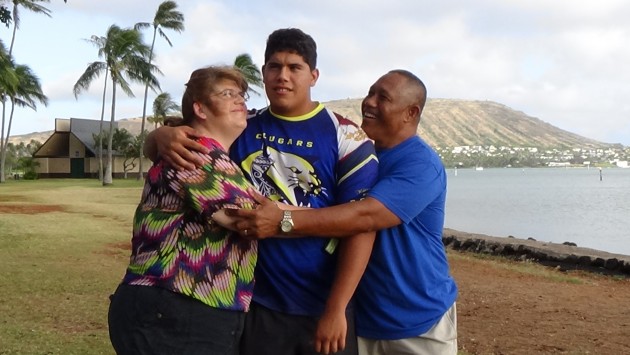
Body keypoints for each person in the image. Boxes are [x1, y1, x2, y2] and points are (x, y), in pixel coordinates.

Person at [144, 28, 379, 355]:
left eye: (294, 68)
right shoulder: (240, 125)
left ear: (313, 75)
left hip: (322, 303)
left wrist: (337, 307)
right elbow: (187, 142)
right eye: (274, 66)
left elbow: (361, 225)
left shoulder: (347, 136)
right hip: (255, 302)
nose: (282, 76)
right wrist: (160, 136)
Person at [229, 69, 459, 355]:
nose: (369, 102)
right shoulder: (356, 154)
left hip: (417, 319)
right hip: (365, 317)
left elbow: (364, 217)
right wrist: (161, 136)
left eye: (382, 97)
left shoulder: (419, 164)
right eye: (370, 92)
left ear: (410, 113)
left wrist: (283, 221)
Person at [108, 65, 258, 355]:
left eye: (241, 94)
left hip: (185, 308)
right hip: (176, 307)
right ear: (200, 109)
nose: (240, 100)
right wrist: (335, 221)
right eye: (227, 94)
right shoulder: (195, 153)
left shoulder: (210, 155)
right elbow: (251, 220)